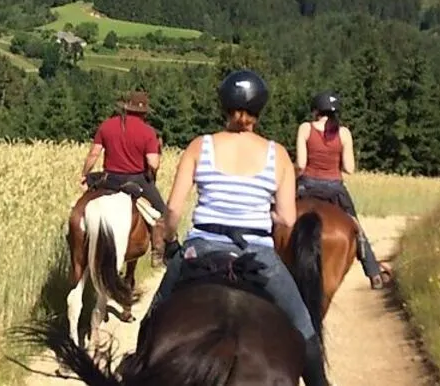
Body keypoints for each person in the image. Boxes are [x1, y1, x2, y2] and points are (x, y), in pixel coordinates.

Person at [150, 69, 329, 386]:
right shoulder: (277, 154)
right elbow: (287, 218)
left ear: (223, 104)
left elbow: (174, 209)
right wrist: (263, 212)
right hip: (258, 255)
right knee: (305, 328)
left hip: (201, 248)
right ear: (260, 108)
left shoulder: (200, 146)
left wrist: (170, 237)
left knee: (152, 321)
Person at [296, 90, 393, 290]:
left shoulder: (305, 128)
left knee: (281, 218)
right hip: (334, 189)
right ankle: (373, 272)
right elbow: (349, 168)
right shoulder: (344, 133)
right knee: (356, 228)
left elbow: (301, 164)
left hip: (307, 186)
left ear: (315, 110)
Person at [78, 90, 168, 217]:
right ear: (145, 113)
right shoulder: (148, 132)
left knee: (82, 203)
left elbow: (93, 154)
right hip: (137, 180)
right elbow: (153, 164)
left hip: (109, 178)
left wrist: (85, 175)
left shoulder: (106, 125)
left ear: (126, 108)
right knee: (163, 213)